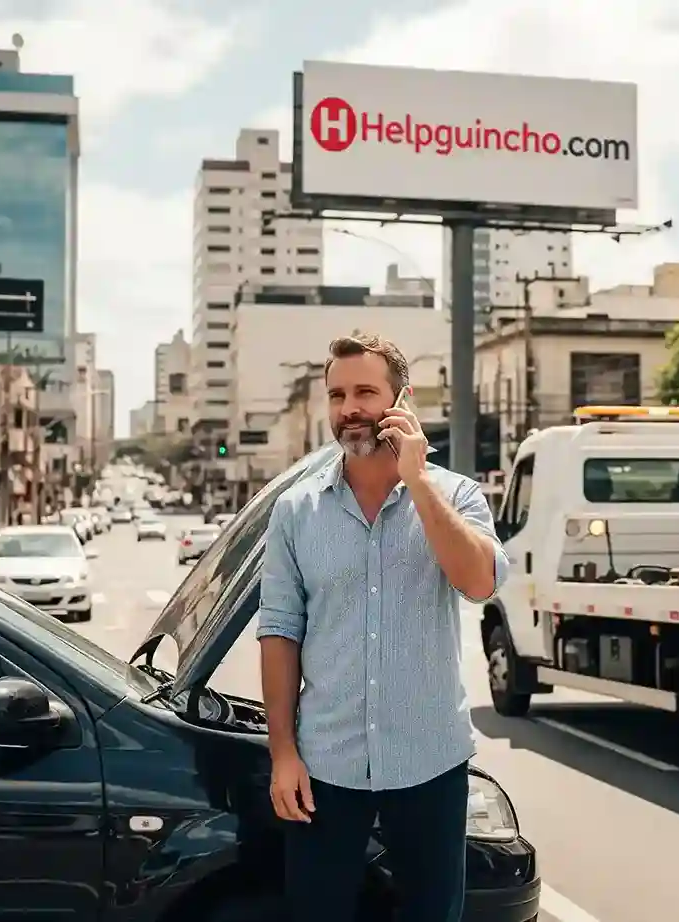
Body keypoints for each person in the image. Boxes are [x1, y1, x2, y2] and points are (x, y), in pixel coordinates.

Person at [257, 333, 509, 922]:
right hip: (326, 767)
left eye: (365, 392)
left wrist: (418, 482)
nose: (350, 408)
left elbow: (479, 582)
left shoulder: (457, 496)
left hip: (430, 763)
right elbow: (279, 633)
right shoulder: (297, 510)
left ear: (402, 399)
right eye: (337, 394)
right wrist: (283, 753)